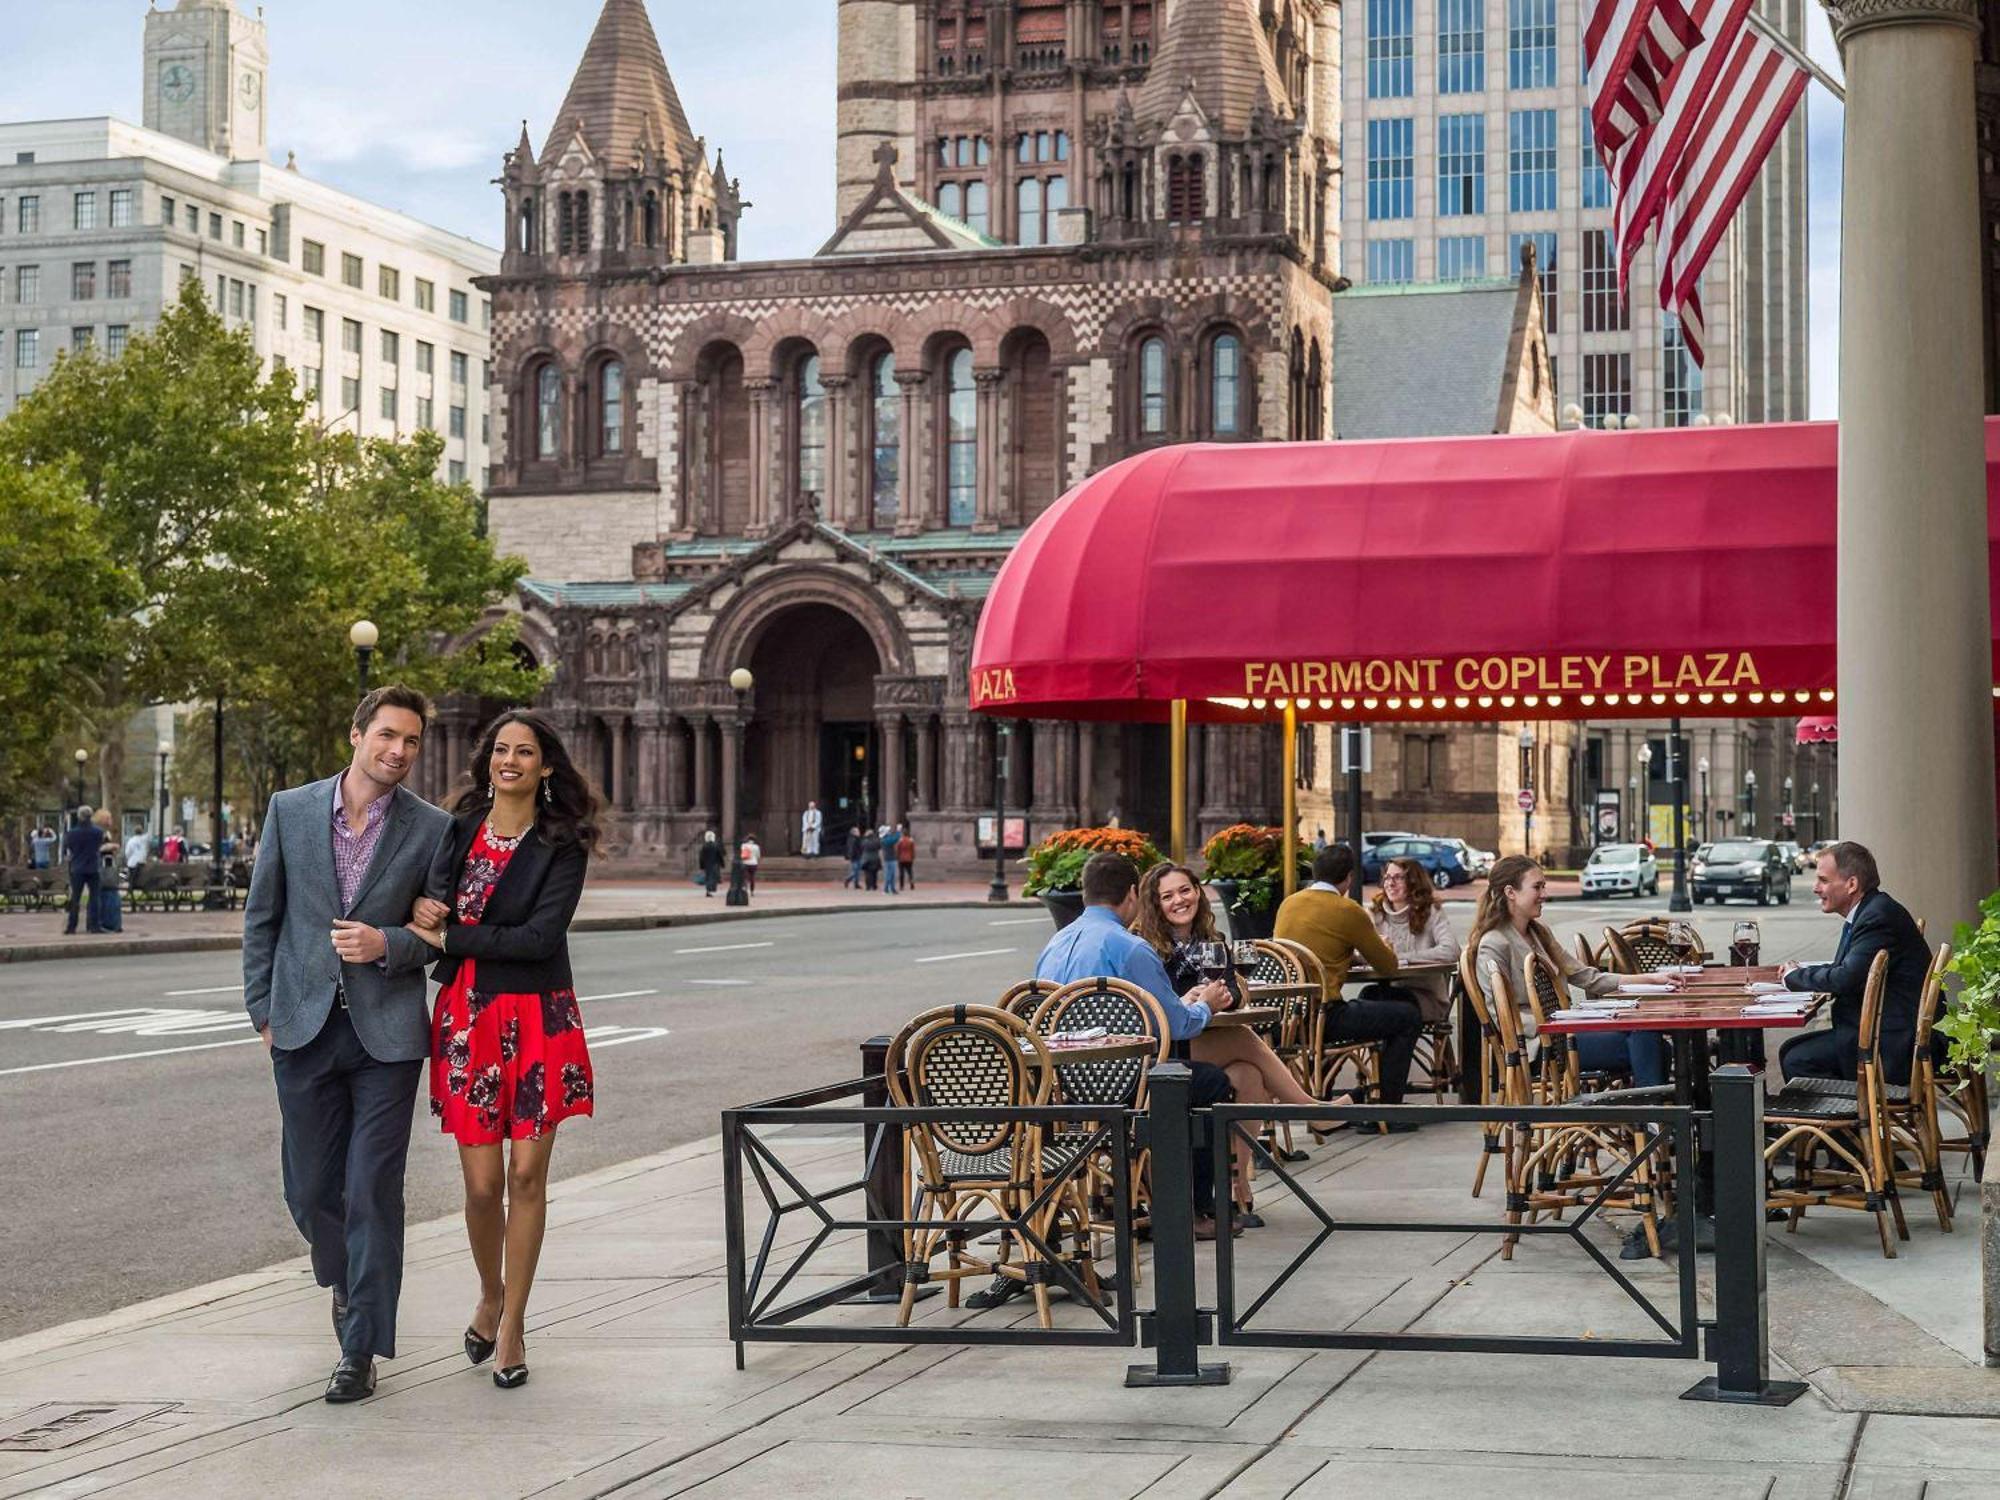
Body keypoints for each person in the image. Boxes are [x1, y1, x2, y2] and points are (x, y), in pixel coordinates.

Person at [241, 685, 452, 1404]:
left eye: (412, 742)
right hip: (300, 1030)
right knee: (309, 1192)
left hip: (386, 1039)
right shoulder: (291, 811)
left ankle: (359, 1347)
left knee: (371, 1191)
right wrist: (261, 1011)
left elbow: (435, 937)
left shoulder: (432, 829)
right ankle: (341, 1274)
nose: (399, 752)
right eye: (388, 736)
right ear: (356, 734)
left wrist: (386, 942)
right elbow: (262, 917)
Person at [405, 710, 598, 1392]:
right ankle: (490, 1290)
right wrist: (429, 914)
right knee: (484, 1187)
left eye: (526, 752)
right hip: (468, 1022)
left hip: (541, 1018)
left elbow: (540, 939)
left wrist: (452, 938)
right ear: (489, 760)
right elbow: (428, 905)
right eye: (501, 750)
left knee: (526, 1180)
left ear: (547, 766)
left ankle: (513, 1323)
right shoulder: (457, 831)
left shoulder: (564, 841)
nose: (510, 760)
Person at [1027, 852, 1242, 1249]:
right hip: (1120, 1087)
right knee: (1210, 1081)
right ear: (1131, 894)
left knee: (1185, 1076)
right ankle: (1194, 1209)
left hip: (1060, 1092)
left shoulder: (1055, 944)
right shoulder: (1130, 948)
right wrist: (1206, 1004)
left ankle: (1128, 1194)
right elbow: (1175, 1024)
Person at [1134, 862, 1351, 1225]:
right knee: (1244, 1039)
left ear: (1199, 892)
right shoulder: (1146, 946)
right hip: (1169, 1047)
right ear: (1154, 904)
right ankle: (1311, 1110)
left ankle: (1238, 1188)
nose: (1179, 901)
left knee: (1249, 1075)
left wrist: (1220, 996)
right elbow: (1154, 1005)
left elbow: (1234, 989)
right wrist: (1188, 999)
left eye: (1185, 890)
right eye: (1167, 896)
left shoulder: (1211, 940)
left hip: (1207, 1038)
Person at [1468, 855, 1668, 1089]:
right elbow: (1501, 1015)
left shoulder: (1538, 932)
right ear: (1510, 892)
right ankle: (1655, 1117)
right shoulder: (1494, 943)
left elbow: (1587, 977)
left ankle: (1652, 1116)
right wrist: (1555, 1025)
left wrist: (1652, 979)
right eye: (1537, 887)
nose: (1544, 894)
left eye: (1544, 886)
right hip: (1540, 1048)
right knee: (1647, 1040)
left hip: (1565, 1032)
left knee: (1651, 1036)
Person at [1273, 845, 1427, 1118]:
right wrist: (1382, 946)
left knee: (1374, 999)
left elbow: (1314, 951)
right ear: (1348, 877)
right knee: (1408, 1016)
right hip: (1324, 1017)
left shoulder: (1289, 903)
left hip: (1290, 1019)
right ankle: (1387, 1107)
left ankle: (1337, 1092)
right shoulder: (1347, 910)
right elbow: (1387, 966)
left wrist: (1347, 957)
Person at [1779, 841, 1935, 1085]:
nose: (1815, 888)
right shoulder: (1871, 910)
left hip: (1893, 1045)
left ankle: (1851, 1118)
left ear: (1851, 884)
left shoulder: (1876, 917)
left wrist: (1792, 978)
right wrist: (1803, 972)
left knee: (1797, 1058)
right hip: (1886, 1033)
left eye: (1823, 880)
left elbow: (1845, 978)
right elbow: (1845, 969)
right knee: (1791, 1050)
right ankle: (1846, 1121)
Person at [1365, 858, 1461, 1025]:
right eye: (1387, 877)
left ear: (1414, 882)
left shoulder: (1431, 911)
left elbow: (1451, 951)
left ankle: (1384, 1051)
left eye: (1398, 878)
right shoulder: (1376, 914)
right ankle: (1378, 1051)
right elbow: (1363, 953)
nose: (1390, 883)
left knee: (1385, 1011)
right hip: (1391, 991)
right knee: (1367, 996)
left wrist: (1402, 957)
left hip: (1427, 996)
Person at [62, 807, 104, 935]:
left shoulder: (72, 833)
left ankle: (71, 926)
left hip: (77, 867)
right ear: (91, 816)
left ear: (79, 817)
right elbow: (99, 846)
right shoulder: (98, 832)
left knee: (75, 898)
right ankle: (94, 925)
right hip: (93, 867)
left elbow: (67, 848)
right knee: (94, 897)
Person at [92, 809, 123, 934]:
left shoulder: (107, 833)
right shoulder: (98, 833)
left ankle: (113, 922)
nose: (111, 821)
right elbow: (95, 849)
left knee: (110, 893)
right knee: (105, 892)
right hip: (102, 866)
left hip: (109, 865)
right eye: (108, 818)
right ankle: (107, 922)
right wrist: (109, 847)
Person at [697, 830, 724, 897]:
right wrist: (722, 863)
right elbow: (719, 855)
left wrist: (701, 865)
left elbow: (701, 857)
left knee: (708, 877)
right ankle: (710, 890)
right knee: (713, 877)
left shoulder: (704, 846)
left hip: (707, 864)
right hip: (715, 864)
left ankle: (708, 890)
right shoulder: (715, 845)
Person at [860, 826, 882, 891]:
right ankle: (874, 885)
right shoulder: (877, 841)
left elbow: (861, 848)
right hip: (875, 858)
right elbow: (879, 847)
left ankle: (868, 886)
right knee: (874, 873)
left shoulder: (864, 841)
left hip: (867, 858)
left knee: (867, 873)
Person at [880, 823, 901, 894]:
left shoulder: (884, 838)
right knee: (889, 875)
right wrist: (898, 831)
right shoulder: (885, 839)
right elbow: (894, 839)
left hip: (890, 858)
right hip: (890, 859)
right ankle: (886, 889)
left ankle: (892, 889)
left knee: (891, 875)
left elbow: (893, 838)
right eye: (888, 831)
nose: (889, 832)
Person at [896, 823, 915, 890]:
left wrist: (897, 857)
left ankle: (901, 886)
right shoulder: (911, 840)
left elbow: (898, 849)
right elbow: (913, 850)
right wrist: (912, 857)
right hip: (909, 858)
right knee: (910, 872)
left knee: (901, 873)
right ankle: (912, 884)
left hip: (901, 858)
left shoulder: (900, 841)